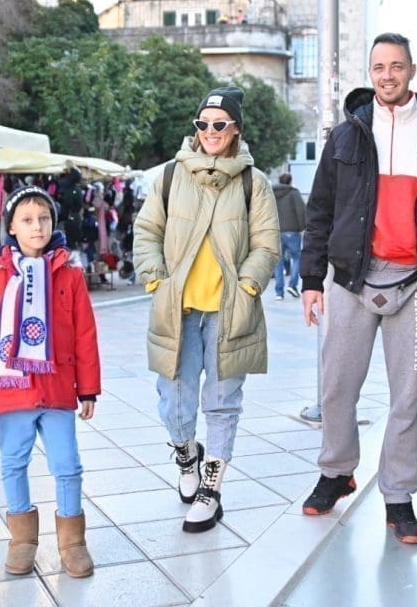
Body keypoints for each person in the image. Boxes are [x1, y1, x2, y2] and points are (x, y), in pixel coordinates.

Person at [299, 32, 417, 544]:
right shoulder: (347, 135)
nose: (387, 75)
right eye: (379, 67)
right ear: (370, 73)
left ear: (411, 71)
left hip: (416, 285)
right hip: (350, 279)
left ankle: (398, 496)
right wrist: (311, 280)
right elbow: (320, 211)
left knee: (407, 395)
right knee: (337, 386)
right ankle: (337, 472)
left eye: (396, 66)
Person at [133, 85, 279, 533]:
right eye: (203, 124)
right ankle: (186, 455)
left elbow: (267, 243)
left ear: (235, 129)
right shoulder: (171, 176)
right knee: (174, 401)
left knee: (222, 403)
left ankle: (211, 488)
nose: (210, 131)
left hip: (229, 312)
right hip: (177, 309)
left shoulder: (253, 182)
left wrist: (249, 284)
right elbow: (147, 230)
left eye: (220, 124)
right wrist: (156, 278)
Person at [0, 186, 100, 578]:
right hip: (11, 391)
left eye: (44, 218)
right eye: (27, 220)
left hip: (57, 389)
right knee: (13, 462)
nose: (37, 226)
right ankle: (22, 540)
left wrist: (87, 388)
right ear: (12, 227)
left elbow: (85, 335)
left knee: (67, 465)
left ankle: (73, 543)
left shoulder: (70, 275)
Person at [272, 171, 307, 300]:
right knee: (297, 258)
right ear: (290, 181)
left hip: (275, 231)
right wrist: (302, 227)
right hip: (292, 231)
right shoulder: (294, 193)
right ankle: (292, 285)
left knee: (278, 261)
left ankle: (279, 292)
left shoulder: (271, 193)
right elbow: (301, 211)